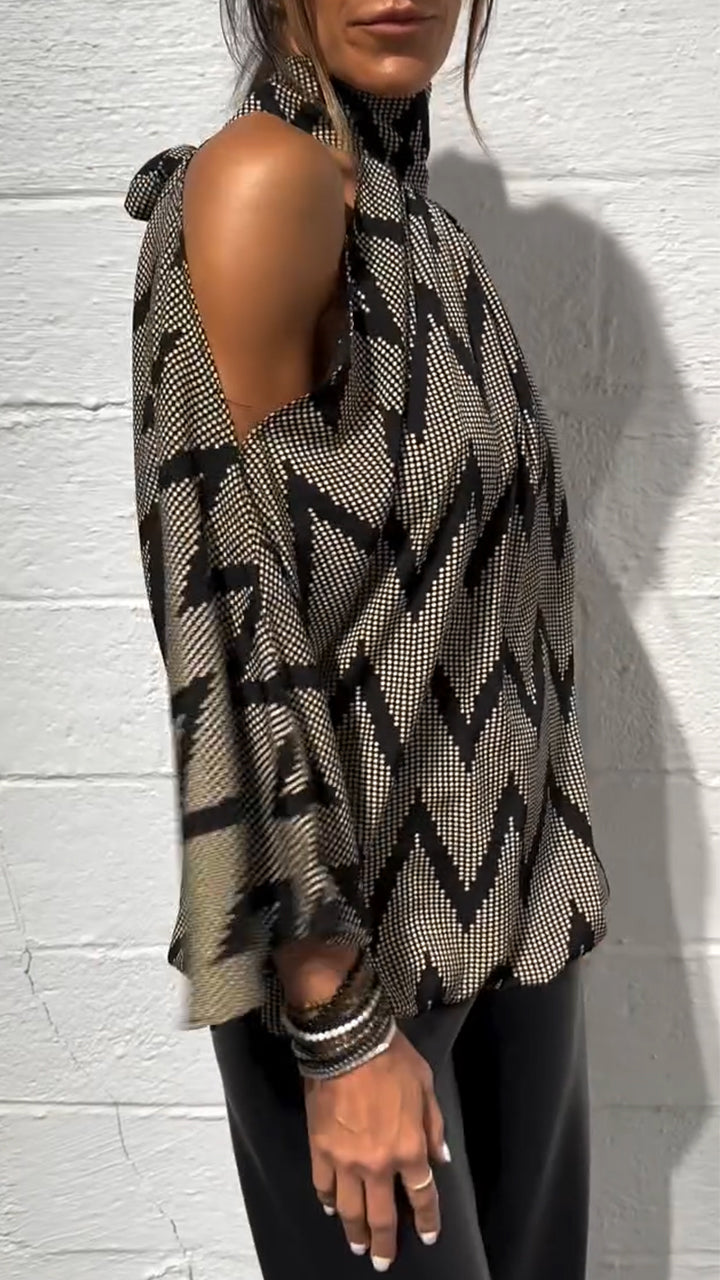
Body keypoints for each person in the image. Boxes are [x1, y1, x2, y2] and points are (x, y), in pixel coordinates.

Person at [125, 2, 610, 1276]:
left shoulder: (426, 237)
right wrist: (337, 1022)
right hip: (356, 980)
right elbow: (233, 633)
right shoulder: (262, 184)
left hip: (511, 938)